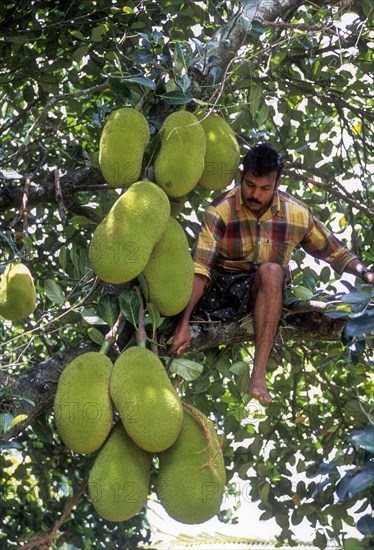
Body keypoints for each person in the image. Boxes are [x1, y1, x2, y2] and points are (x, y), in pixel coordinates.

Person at [168, 143, 374, 403]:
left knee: (272, 272)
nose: (255, 194)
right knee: (268, 272)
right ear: (241, 177)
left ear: (277, 184)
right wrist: (183, 323)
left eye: (265, 188)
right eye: (250, 185)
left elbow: (334, 251)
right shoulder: (220, 210)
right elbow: (200, 268)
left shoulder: (296, 213)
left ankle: (258, 373)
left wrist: (365, 274)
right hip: (221, 291)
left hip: (266, 290)